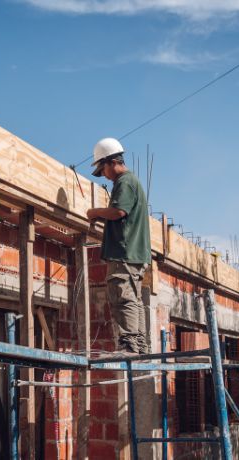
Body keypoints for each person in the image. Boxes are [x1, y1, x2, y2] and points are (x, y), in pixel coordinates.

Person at [85, 138, 152, 354]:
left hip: (125, 252)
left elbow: (118, 212)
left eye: (102, 169)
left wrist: (94, 212)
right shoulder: (132, 183)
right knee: (134, 299)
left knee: (123, 297)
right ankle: (140, 345)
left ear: (112, 162)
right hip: (134, 253)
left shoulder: (125, 182)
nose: (103, 175)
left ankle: (130, 345)